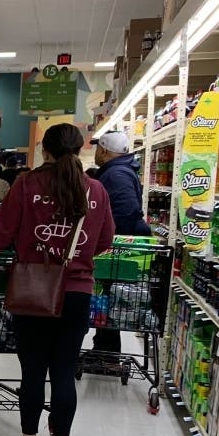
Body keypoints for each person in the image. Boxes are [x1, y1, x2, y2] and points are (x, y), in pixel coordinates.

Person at [0, 123, 115, 436]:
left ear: (44, 151)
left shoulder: (27, 184)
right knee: (64, 372)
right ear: (79, 150)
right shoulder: (95, 190)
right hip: (77, 292)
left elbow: (2, 232)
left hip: (33, 290)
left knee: (33, 370)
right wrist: (77, 259)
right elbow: (105, 238)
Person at [90, 130, 150, 355]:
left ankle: (107, 351)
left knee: (110, 297)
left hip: (118, 249)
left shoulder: (116, 174)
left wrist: (107, 237)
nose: (96, 151)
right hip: (117, 246)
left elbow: (125, 212)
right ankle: (105, 350)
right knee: (109, 300)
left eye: (97, 147)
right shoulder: (119, 170)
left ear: (104, 150)